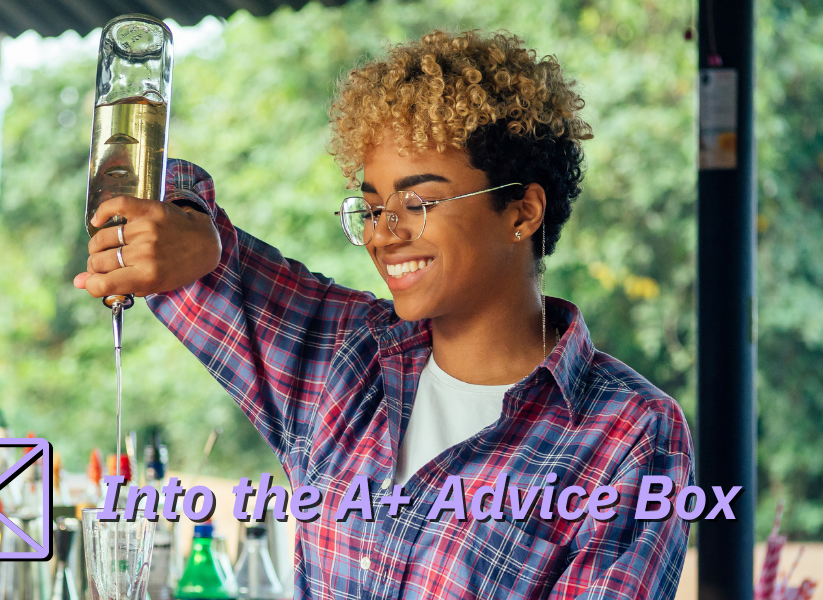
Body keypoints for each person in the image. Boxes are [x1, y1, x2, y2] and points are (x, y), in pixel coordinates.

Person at [74, 29, 693, 598]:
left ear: (523, 213)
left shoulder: (629, 435)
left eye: (419, 201)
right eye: (371, 206)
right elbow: (164, 220)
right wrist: (192, 229)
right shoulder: (344, 360)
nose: (384, 233)